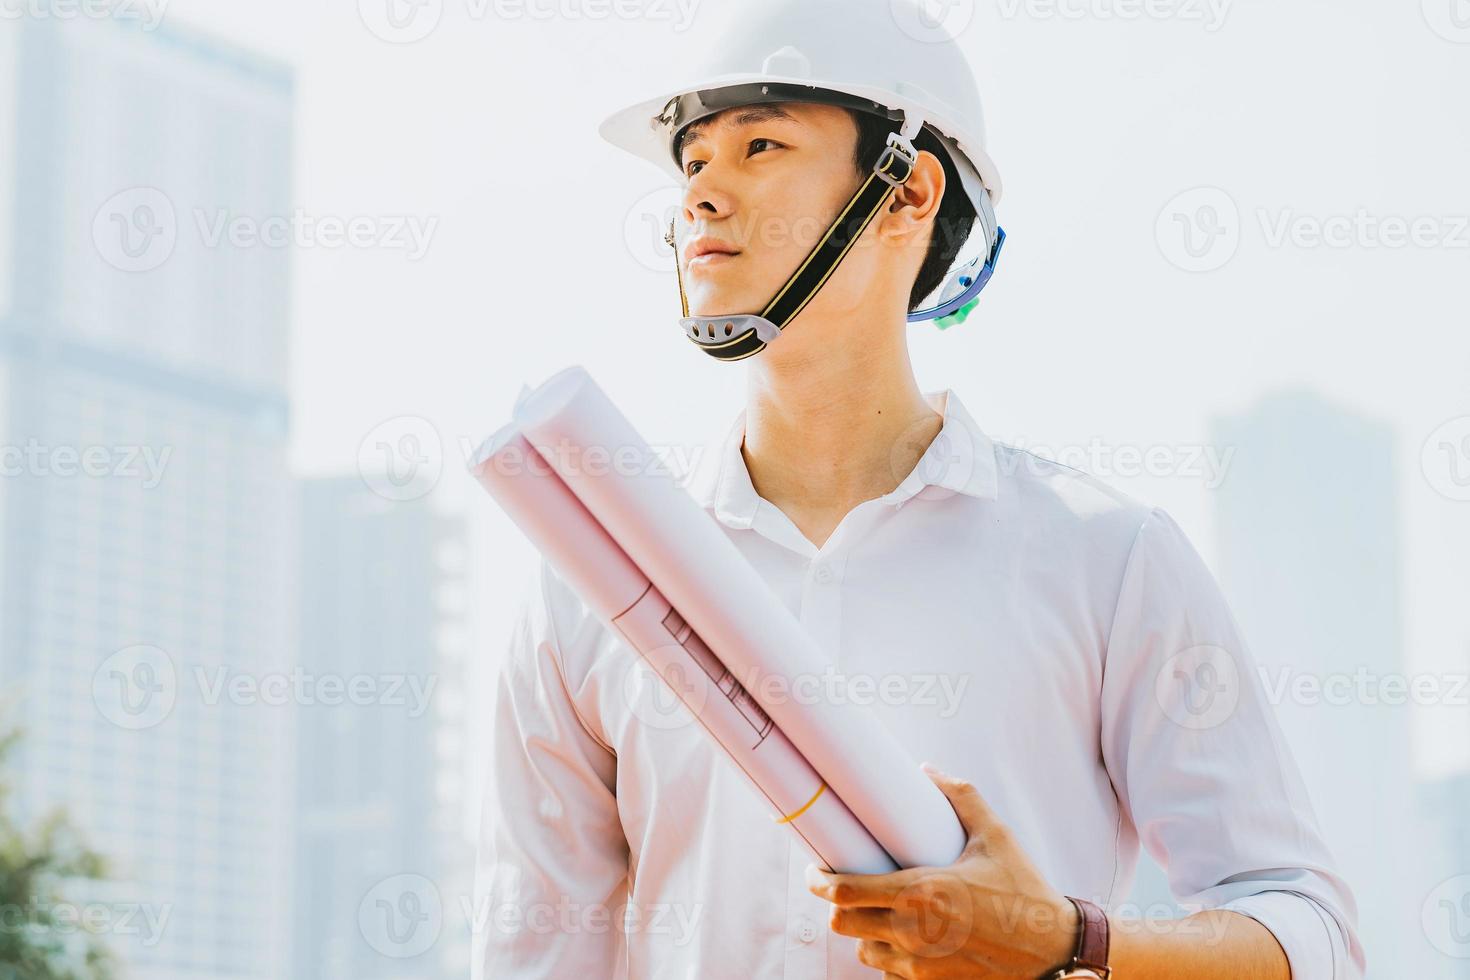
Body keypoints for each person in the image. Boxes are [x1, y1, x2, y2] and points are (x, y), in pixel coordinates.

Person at [473, 1, 1365, 977]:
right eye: (691, 161)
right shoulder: (589, 584)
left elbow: (1308, 933)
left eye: (759, 144)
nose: (701, 193)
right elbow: (536, 948)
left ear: (906, 192)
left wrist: (1065, 940)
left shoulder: (1105, 559)